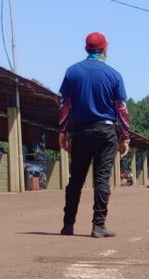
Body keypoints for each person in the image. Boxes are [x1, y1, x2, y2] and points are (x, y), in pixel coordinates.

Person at [59, 32, 130, 238]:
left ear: (86, 49)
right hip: (105, 130)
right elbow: (121, 108)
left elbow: (64, 105)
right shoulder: (114, 75)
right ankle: (98, 225)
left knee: (76, 179)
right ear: (105, 49)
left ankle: (68, 224)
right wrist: (125, 136)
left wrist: (62, 131)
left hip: (80, 130)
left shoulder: (72, 72)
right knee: (102, 179)